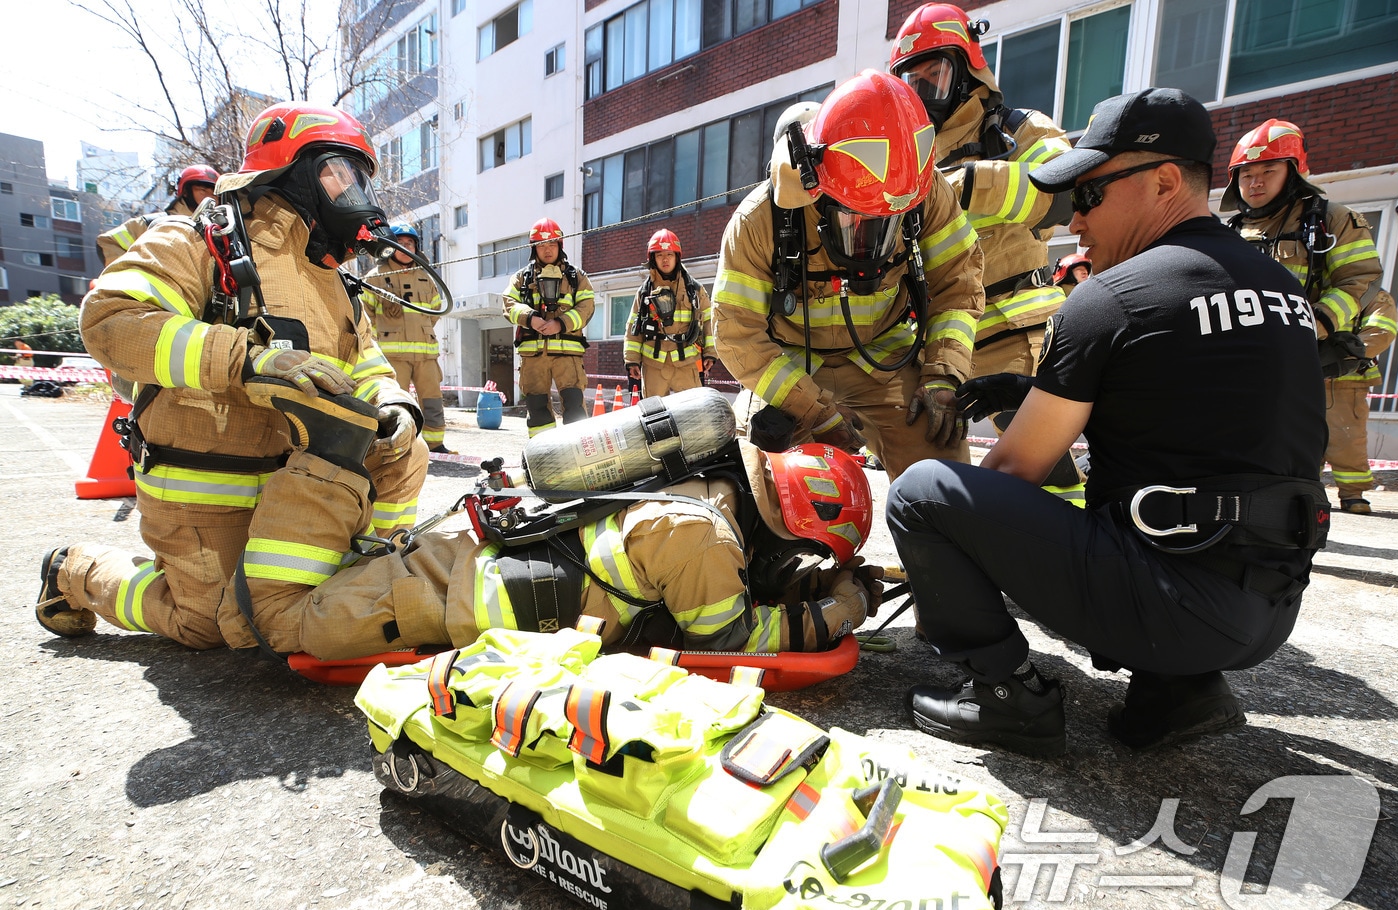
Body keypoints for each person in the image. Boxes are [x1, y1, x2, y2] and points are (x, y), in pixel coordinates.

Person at [887, 88, 1330, 756]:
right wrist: (1034, 391)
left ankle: (1006, 697)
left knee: (924, 493)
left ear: (1164, 181)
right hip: (1272, 610)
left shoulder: (1113, 298)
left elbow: (1013, 471)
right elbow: (1201, 419)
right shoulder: (1282, 290)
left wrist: (946, 571)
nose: (1076, 222)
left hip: (1172, 607)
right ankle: (1177, 692)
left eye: (1090, 195)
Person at [42, 373, 882, 658]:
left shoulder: (708, 489)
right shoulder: (704, 535)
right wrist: (838, 606)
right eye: (802, 556)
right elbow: (733, 641)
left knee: (222, 605)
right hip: (444, 596)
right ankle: (328, 455)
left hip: (461, 554)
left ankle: (92, 575)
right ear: (789, 526)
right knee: (262, 620)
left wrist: (828, 583)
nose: (793, 567)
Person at [36, 102, 429, 652]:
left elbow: (364, 361)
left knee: (401, 454)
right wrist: (246, 358)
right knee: (211, 626)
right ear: (291, 170)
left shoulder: (333, 281)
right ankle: (75, 571)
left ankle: (374, 563)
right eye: (338, 171)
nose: (351, 190)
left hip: (295, 486)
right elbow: (111, 320)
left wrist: (393, 404)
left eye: (358, 178)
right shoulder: (199, 241)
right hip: (207, 479)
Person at [713, 70, 983, 479]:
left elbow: (959, 286)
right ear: (817, 192)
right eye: (854, 218)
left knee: (943, 462)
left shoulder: (923, 191)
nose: (869, 237)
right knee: (758, 478)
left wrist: (943, 375)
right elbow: (737, 335)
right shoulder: (758, 220)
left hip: (883, 355)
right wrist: (813, 409)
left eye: (887, 222)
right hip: (791, 363)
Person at [890, 3, 1082, 506]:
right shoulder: (910, 153)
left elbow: (1064, 194)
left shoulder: (1020, 130)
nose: (924, 92)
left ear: (967, 67)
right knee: (937, 464)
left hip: (1013, 329)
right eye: (912, 82)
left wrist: (966, 185)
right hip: (941, 342)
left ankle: (1067, 546)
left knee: (1039, 467)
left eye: (935, 74)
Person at [1222, 119, 1398, 515]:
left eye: (1268, 170)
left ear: (1294, 172)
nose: (1255, 182)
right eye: (1246, 174)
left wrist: (1313, 325)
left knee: (1318, 437)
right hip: (1249, 359)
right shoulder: (1229, 231)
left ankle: (1330, 505)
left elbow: (1360, 280)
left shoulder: (1331, 220)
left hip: (1312, 354)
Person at [362, 222, 456, 454]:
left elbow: (434, 311)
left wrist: (421, 330)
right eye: (400, 243)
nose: (405, 248)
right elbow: (365, 316)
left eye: (410, 243)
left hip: (425, 354)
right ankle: (395, 446)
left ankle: (435, 444)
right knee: (394, 403)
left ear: (416, 247)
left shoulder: (426, 277)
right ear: (390, 247)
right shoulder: (375, 278)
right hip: (392, 357)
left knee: (432, 400)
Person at [503, 218, 596, 436]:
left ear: (560, 245)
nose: (547, 250)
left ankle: (576, 450)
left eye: (552, 244)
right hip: (533, 357)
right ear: (533, 248)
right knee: (537, 410)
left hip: (568, 356)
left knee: (574, 407)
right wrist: (530, 318)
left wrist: (560, 324)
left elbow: (587, 307)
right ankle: (543, 451)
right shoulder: (521, 278)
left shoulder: (576, 277)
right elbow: (508, 303)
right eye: (542, 245)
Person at [624, 229, 716, 399]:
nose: (665, 259)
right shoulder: (644, 292)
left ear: (677, 257)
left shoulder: (694, 290)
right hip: (653, 366)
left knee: (691, 410)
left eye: (669, 254)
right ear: (653, 258)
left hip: (686, 363)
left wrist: (710, 352)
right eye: (659, 255)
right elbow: (633, 327)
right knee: (655, 413)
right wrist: (632, 360)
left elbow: (709, 322)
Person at [96, 163, 221, 267]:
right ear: (186, 192)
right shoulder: (154, 224)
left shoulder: (220, 233)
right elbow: (109, 242)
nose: (210, 197)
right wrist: (132, 277)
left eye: (214, 194)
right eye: (202, 190)